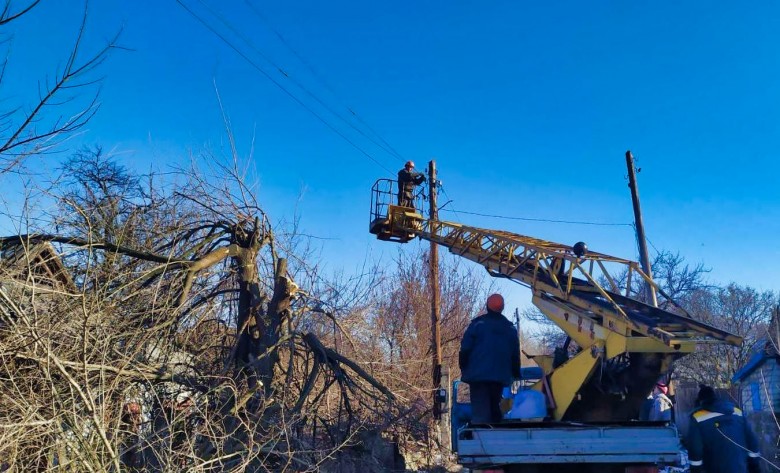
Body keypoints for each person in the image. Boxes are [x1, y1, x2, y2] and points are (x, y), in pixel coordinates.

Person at [459, 293, 521, 423]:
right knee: (494, 408)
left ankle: (481, 438)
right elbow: (515, 354)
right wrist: (516, 373)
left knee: (481, 414)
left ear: (487, 306)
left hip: (478, 377)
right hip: (499, 377)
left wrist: (463, 365)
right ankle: (496, 433)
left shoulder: (477, 324)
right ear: (502, 308)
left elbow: (465, 348)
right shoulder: (509, 328)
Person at [687, 384, 761, 473]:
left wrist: (695, 470)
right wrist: (754, 466)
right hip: (740, 468)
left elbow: (695, 449)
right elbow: (752, 440)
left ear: (700, 401)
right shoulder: (737, 412)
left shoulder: (698, 418)